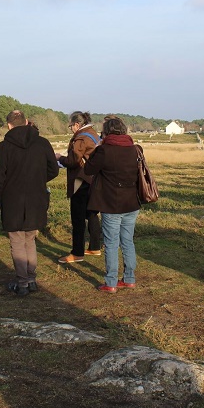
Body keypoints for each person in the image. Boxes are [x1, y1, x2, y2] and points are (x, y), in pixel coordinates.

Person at [0, 110, 59, 296]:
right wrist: (38, 180)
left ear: (9, 125)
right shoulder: (42, 143)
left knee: (17, 242)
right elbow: (54, 169)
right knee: (30, 240)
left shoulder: (5, 146)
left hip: (12, 199)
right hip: (36, 198)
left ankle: (22, 283)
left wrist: (0, 197)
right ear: (27, 122)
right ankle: (31, 279)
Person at [84, 116, 142, 293]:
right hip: (132, 202)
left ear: (106, 132)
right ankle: (129, 278)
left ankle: (111, 282)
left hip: (111, 204)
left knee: (110, 243)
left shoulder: (104, 151)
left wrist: (96, 150)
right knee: (128, 241)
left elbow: (88, 170)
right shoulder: (135, 149)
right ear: (124, 130)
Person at [55, 111, 102, 263]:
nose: (71, 129)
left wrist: (59, 158)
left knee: (78, 218)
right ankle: (95, 247)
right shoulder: (94, 134)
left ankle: (77, 253)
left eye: (70, 126)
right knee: (92, 214)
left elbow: (73, 160)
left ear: (77, 124)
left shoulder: (81, 138)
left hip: (80, 181)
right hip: (94, 181)